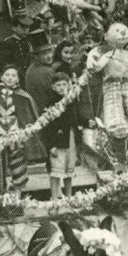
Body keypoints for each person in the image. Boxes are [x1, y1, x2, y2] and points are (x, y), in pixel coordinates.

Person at [0, 64, 47, 194]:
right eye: (7, 75)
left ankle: (18, 194)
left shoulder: (22, 96)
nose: (10, 78)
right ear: (1, 77)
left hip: (15, 133)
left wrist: (24, 130)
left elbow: (28, 116)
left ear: (17, 79)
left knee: (18, 162)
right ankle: (1, 193)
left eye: (13, 75)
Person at [45, 72, 82, 200]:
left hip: (70, 139)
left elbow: (77, 118)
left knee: (69, 171)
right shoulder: (51, 103)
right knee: (56, 171)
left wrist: (88, 122)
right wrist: (50, 145)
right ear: (53, 87)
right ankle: (54, 199)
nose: (62, 87)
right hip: (58, 141)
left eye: (64, 84)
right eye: (58, 85)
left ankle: (69, 197)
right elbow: (47, 126)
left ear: (69, 85)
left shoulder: (71, 101)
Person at [0, 15, 33, 83]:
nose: (26, 30)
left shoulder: (27, 43)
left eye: (27, 27)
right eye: (22, 27)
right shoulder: (6, 44)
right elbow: (1, 64)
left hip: (26, 77)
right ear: (13, 28)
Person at [25, 28, 55, 115]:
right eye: (44, 53)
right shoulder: (48, 71)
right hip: (50, 113)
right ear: (36, 56)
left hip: (36, 114)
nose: (49, 56)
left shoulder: (30, 69)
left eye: (49, 51)